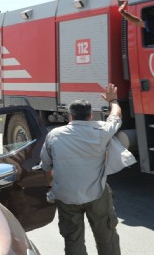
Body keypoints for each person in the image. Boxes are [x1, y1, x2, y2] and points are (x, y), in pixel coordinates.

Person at [40, 83, 122, 255]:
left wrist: (50, 187)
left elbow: (46, 167)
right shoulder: (101, 131)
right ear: (90, 115)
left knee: (73, 240)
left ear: (70, 116)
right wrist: (112, 100)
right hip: (96, 194)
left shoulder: (53, 135)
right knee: (106, 236)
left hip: (66, 196)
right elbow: (116, 117)